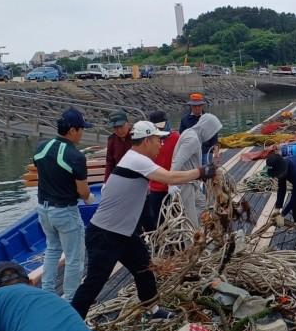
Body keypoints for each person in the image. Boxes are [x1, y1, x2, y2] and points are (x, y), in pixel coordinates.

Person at [71, 121, 215, 320]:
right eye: (158, 140)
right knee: (95, 282)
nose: (161, 145)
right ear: (147, 140)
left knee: (145, 268)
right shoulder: (137, 159)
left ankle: (152, 310)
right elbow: (170, 177)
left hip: (125, 232)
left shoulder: (134, 159)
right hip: (105, 234)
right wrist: (201, 172)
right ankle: (72, 323)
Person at [32, 107, 94, 301]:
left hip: (44, 208)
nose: (83, 132)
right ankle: (71, 299)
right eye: (81, 129)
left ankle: (47, 294)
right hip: (65, 211)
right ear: (73, 130)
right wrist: (90, 198)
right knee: (75, 257)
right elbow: (83, 191)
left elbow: (43, 170)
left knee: (52, 249)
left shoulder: (41, 147)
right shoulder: (75, 156)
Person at [171, 113, 223, 229]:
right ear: (207, 128)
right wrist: (171, 185)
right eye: (212, 132)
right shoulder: (192, 140)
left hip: (192, 181)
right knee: (190, 221)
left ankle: (195, 231)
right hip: (185, 184)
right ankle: (191, 242)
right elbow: (176, 162)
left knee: (202, 204)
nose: (211, 136)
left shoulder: (191, 133)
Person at [143, 110, 180, 231]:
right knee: (158, 221)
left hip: (173, 186)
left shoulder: (176, 137)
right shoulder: (148, 141)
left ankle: (178, 245)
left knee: (177, 219)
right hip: (155, 188)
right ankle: (161, 245)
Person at [104, 110, 132, 181]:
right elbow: (109, 162)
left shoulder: (137, 138)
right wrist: (106, 182)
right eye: (115, 128)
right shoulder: (111, 140)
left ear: (128, 124)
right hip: (119, 177)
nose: (119, 130)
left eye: (121, 126)